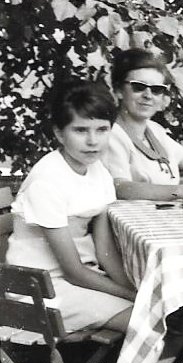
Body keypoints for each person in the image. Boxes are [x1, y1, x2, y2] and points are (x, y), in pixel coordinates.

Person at [6, 80, 134, 333]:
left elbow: (105, 250)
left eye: (102, 129)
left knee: (160, 312)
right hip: (41, 288)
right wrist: (131, 295)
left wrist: (133, 289)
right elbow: (73, 271)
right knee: (146, 321)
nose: (92, 141)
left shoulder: (98, 172)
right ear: (59, 134)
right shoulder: (46, 181)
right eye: (80, 130)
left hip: (80, 278)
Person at [102, 48, 183, 201]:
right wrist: (182, 191)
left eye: (157, 89)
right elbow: (120, 187)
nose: (148, 95)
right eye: (138, 87)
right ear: (118, 91)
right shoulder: (111, 135)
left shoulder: (154, 131)